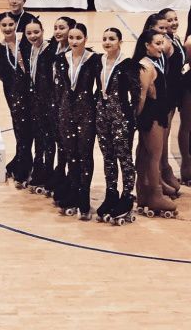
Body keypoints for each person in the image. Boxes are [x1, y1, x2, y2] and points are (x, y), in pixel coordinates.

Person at [54, 23, 101, 220]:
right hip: (66, 111)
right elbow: (59, 88)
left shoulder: (94, 60)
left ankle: (84, 199)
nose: (74, 41)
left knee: (84, 155)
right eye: (71, 38)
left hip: (86, 111)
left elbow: (101, 87)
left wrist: (94, 105)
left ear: (86, 39)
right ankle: (73, 194)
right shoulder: (60, 59)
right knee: (70, 154)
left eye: (78, 38)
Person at [95, 28, 139, 225]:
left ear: (120, 41)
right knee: (108, 156)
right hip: (102, 115)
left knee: (124, 157)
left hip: (121, 116)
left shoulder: (128, 65)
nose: (107, 42)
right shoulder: (99, 61)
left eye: (112, 39)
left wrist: (133, 119)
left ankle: (127, 195)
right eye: (104, 38)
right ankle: (111, 193)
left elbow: (136, 95)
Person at [132, 30, 177, 218]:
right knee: (153, 156)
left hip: (156, 113)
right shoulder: (146, 66)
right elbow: (141, 97)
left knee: (147, 154)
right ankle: (155, 195)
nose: (161, 47)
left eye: (162, 43)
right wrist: (138, 118)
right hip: (151, 116)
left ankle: (143, 193)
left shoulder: (153, 62)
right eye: (157, 43)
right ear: (147, 45)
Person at [0, 13, 30, 188]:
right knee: (21, 128)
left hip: (33, 91)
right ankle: (23, 165)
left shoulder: (26, 42)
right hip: (14, 93)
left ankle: (24, 161)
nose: (7, 28)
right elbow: (3, 76)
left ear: (16, 24)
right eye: (4, 25)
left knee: (33, 129)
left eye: (10, 24)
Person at [141, 13, 178, 198]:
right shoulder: (148, 58)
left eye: (166, 27)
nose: (166, 30)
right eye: (161, 28)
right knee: (149, 150)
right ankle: (150, 187)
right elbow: (143, 94)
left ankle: (159, 178)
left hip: (167, 100)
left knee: (159, 146)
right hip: (153, 109)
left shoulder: (165, 46)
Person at [21, 18, 55, 193]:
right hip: (35, 100)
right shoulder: (30, 49)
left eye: (36, 32)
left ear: (43, 31)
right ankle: (38, 169)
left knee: (48, 138)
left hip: (48, 101)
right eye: (29, 33)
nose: (33, 36)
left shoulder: (50, 49)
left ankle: (48, 173)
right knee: (38, 137)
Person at [158, 8, 185, 194]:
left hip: (175, 92)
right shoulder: (164, 43)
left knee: (166, 135)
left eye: (175, 19)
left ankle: (165, 170)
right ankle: (159, 175)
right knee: (162, 136)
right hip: (166, 93)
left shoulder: (175, 38)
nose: (174, 23)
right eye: (169, 20)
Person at [48, 16, 76, 199]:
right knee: (58, 138)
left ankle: (69, 179)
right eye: (56, 28)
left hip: (69, 103)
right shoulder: (52, 48)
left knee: (68, 141)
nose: (58, 31)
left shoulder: (74, 52)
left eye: (62, 28)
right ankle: (59, 173)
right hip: (53, 100)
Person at [180, 11, 191, 185]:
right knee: (187, 126)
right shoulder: (189, 42)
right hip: (189, 86)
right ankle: (187, 168)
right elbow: (183, 64)